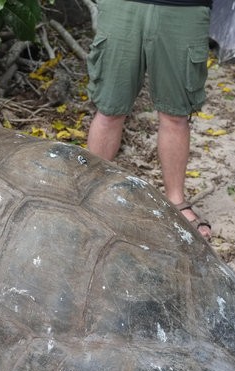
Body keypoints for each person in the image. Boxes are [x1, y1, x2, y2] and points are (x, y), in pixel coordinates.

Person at [86, 0, 213, 241]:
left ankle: (176, 201)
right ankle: (90, 196)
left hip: (183, 8)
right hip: (122, 6)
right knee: (109, 109)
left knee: (176, 114)